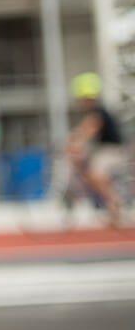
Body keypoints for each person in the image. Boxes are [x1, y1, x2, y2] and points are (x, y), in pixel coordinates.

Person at [65, 71, 126, 226]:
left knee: (95, 174)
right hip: (104, 149)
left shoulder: (97, 113)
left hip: (113, 150)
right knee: (86, 168)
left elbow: (88, 131)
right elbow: (83, 131)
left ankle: (115, 204)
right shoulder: (95, 112)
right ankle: (106, 206)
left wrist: (75, 143)